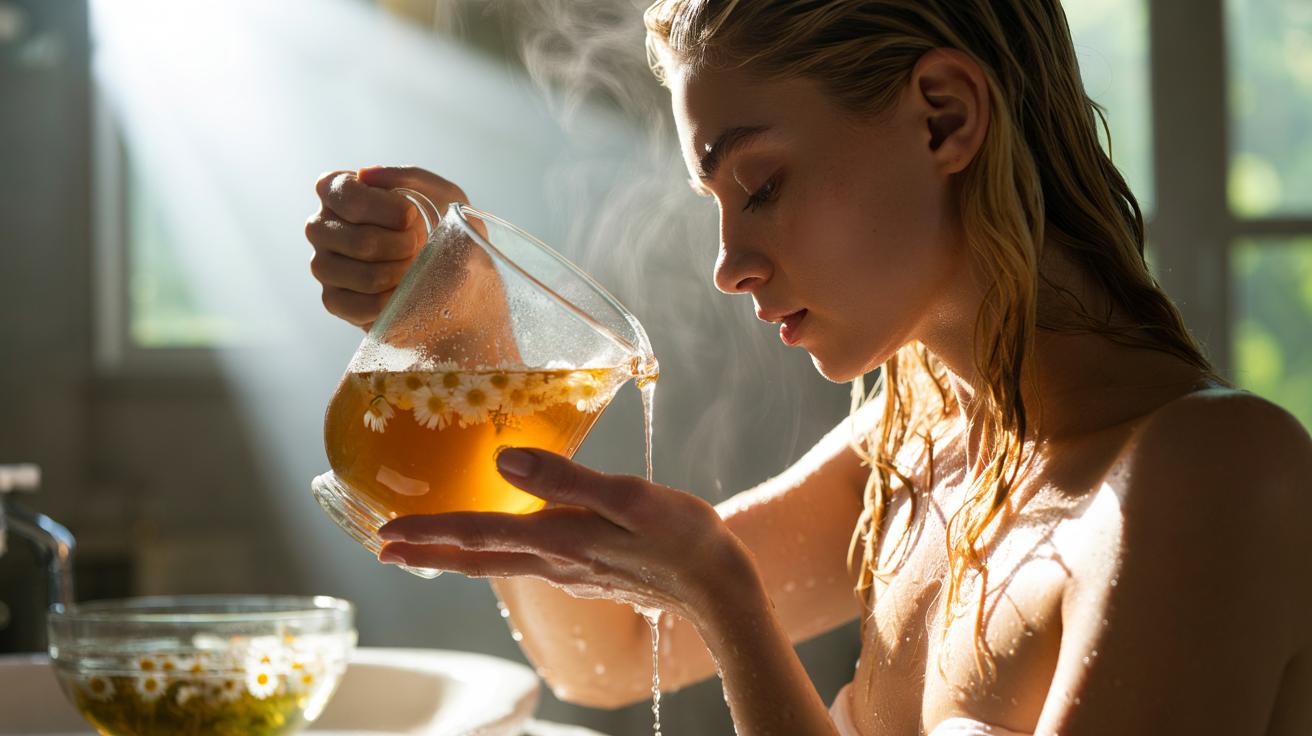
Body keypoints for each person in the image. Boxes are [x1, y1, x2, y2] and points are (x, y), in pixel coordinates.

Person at [303, 1, 1312, 733]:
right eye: (715, 203)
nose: (727, 264)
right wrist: (472, 332)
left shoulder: (1213, 476)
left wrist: (726, 599)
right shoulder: (916, 440)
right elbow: (601, 656)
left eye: (762, 182)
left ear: (942, 117)